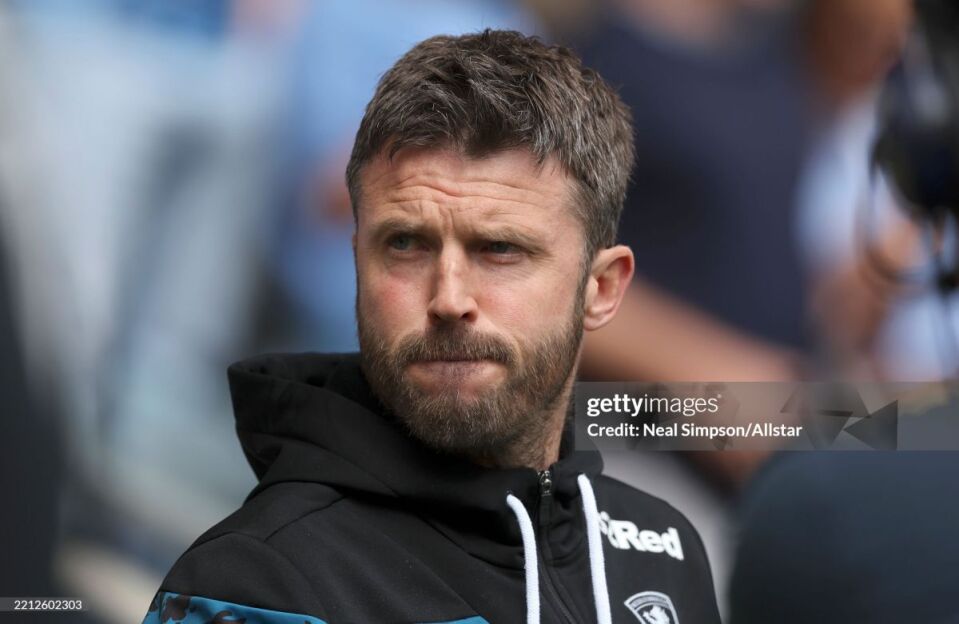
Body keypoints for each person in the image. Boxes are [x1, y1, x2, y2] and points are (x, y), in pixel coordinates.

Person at [141, 30, 721, 624]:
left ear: (601, 288)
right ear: (358, 261)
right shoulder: (257, 585)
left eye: (500, 249)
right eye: (405, 244)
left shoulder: (667, 550)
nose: (449, 299)